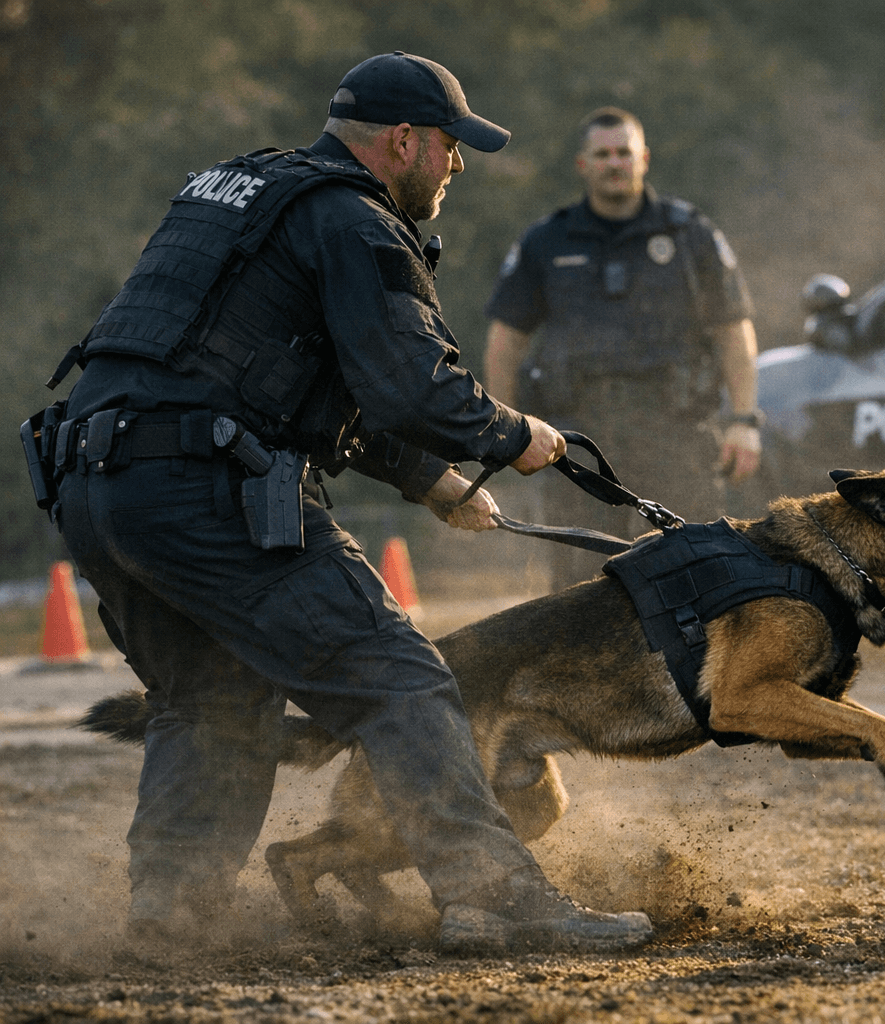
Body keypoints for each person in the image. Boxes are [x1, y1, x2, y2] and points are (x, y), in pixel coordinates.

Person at [44, 52, 651, 955]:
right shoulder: (354, 220)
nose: (456, 165)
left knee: (207, 702)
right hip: (205, 490)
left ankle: (170, 917)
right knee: (400, 680)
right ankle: (497, 901)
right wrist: (509, 434)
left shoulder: (243, 189)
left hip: (98, 487)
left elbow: (263, 379)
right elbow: (411, 386)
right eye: (450, 146)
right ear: (403, 141)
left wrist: (429, 480)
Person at [482, 106, 762, 588]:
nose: (615, 163)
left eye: (624, 153)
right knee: (579, 586)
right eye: (603, 154)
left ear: (644, 158)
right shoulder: (546, 241)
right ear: (583, 165)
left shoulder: (689, 234)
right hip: (579, 441)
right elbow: (505, 341)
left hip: (676, 433)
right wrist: (506, 429)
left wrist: (744, 421)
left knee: (697, 574)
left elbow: (733, 331)